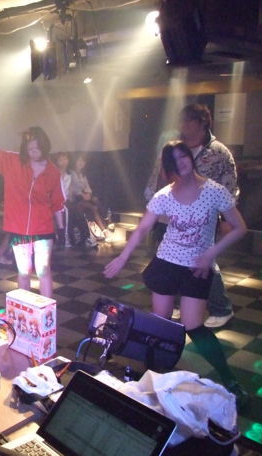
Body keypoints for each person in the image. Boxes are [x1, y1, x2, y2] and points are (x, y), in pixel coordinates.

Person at [104, 140, 248, 406]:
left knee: (194, 326)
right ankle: (154, 379)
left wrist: (210, 254)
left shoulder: (213, 191)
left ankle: (229, 380)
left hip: (196, 268)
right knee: (161, 324)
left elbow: (240, 227)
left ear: (190, 158)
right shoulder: (165, 195)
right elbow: (143, 228)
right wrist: (122, 257)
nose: (181, 162)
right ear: (168, 166)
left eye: (184, 156)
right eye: (174, 160)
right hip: (166, 262)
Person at [145, 103, 238, 328]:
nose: (183, 125)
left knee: (203, 264)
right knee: (170, 260)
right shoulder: (174, 146)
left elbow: (229, 186)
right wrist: (151, 204)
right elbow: (158, 175)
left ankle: (221, 308)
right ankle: (175, 301)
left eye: (188, 120)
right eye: (182, 120)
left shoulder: (219, 152)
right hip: (171, 214)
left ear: (202, 122)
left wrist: (226, 218)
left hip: (203, 218)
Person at [0, 113, 65, 298]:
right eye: (29, 148)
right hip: (18, 227)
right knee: (24, 271)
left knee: (43, 270)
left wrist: (61, 228)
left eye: (37, 148)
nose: (33, 152)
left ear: (44, 147)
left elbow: (58, 202)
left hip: (43, 228)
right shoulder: (13, 162)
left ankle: (46, 309)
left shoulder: (53, 172)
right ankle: (24, 308)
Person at [69, 154, 111, 244]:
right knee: (93, 207)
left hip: (83, 196)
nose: (81, 163)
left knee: (96, 200)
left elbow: (87, 187)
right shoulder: (71, 174)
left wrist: (88, 194)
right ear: (75, 162)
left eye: (83, 161)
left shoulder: (82, 175)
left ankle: (106, 219)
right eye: (79, 161)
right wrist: (83, 194)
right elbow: (74, 188)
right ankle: (105, 228)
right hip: (75, 199)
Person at [53, 152, 72, 248]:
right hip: (55, 200)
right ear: (57, 161)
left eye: (65, 159)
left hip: (66, 200)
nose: (64, 162)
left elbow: (70, 191)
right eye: (61, 160)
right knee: (60, 208)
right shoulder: (53, 174)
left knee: (65, 208)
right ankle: (61, 236)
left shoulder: (70, 175)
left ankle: (64, 237)